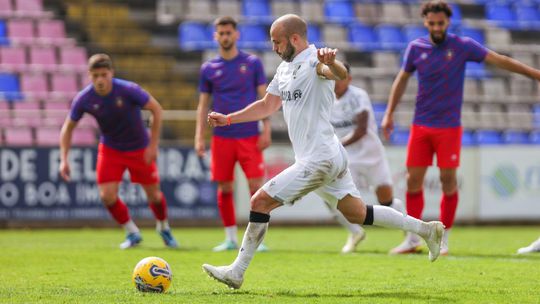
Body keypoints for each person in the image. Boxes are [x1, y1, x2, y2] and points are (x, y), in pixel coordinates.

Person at [202, 14, 444, 290]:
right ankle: (427, 230)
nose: (274, 48)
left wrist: (332, 63)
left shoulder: (315, 60)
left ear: (294, 39)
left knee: (259, 202)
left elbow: (339, 74)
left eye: (277, 42)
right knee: (356, 213)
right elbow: (267, 106)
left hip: (319, 158)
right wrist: (229, 118)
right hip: (329, 154)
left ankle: (237, 271)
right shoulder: (284, 68)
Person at [382, 0, 540, 256]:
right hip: (421, 125)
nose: (436, 27)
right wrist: (388, 114)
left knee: (448, 181)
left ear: (448, 22)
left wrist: (534, 73)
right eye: (431, 23)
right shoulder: (415, 48)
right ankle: (413, 238)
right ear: (425, 23)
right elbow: (401, 80)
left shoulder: (462, 46)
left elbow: (498, 59)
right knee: (413, 181)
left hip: (449, 127)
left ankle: (443, 237)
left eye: (440, 23)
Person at [59, 53, 178, 249]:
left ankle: (163, 226)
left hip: (139, 148)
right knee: (107, 195)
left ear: (111, 73)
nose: (100, 80)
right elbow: (68, 128)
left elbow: (156, 109)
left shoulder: (128, 90)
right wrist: (64, 159)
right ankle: (132, 232)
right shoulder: (84, 98)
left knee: (154, 196)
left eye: (103, 74)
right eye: (95, 75)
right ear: (90, 75)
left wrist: (153, 145)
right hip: (111, 149)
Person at [195, 16, 271, 252]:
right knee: (225, 188)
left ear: (237, 35)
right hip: (222, 138)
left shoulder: (252, 63)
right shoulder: (208, 69)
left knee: (257, 187)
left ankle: (257, 239)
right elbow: (203, 105)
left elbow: (264, 100)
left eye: (229, 32)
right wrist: (199, 136)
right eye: (221, 33)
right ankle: (230, 238)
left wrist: (266, 129)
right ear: (215, 36)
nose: (225, 36)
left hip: (249, 134)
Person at [328, 62, 406, 253]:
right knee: (332, 196)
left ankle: (411, 236)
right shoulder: (326, 99)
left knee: (386, 201)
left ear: (349, 78)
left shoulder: (358, 96)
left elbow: (361, 129)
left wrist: (336, 145)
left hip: (371, 154)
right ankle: (355, 232)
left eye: (341, 77)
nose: (337, 82)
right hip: (347, 159)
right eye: (334, 77)